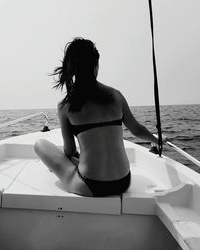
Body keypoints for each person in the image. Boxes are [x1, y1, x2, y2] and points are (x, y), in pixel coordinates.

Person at [34, 37, 162, 197]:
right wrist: (159, 141)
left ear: (72, 69)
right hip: (123, 182)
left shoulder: (66, 106)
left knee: (39, 144)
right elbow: (137, 130)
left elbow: (70, 150)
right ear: (96, 66)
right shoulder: (115, 95)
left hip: (90, 185)